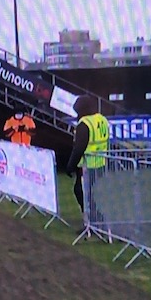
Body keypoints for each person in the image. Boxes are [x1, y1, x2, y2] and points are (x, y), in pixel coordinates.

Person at [65, 95, 110, 229]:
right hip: (101, 163)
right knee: (91, 194)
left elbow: (79, 148)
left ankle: (92, 221)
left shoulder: (84, 124)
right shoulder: (102, 119)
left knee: (83, 193)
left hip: (88, 165)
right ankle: (95, 219)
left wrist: (70, 166)